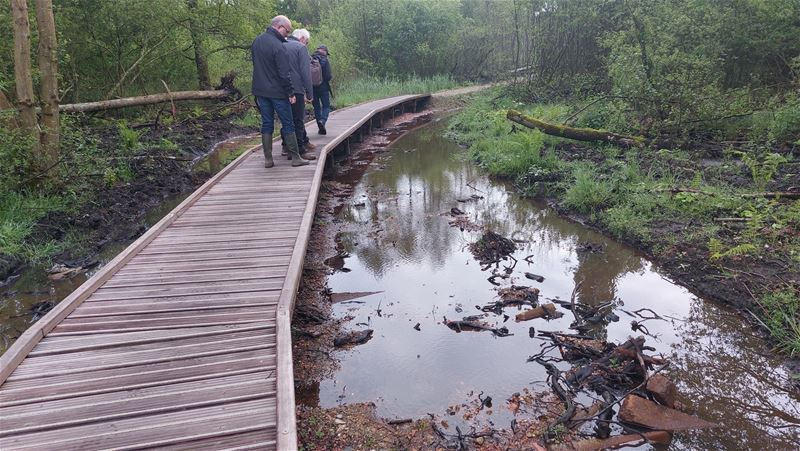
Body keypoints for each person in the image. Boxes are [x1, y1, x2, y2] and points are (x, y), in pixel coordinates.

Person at [251, 15, 309, 167]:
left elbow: (257, 67)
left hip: (261, 91)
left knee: (267, 123)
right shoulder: (278, 46)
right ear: (279, 26)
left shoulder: (257, 41)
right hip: (278, 92)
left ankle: (268, 159)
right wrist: (290, 93)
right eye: (287, 31)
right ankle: (296, 158)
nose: (288, 35)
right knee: (288, 123)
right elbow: (284, 73)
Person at [282, 28, 316, 160]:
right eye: (306, 41)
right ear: (302, 39)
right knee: (298, 120)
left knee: (286, 120)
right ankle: (300, 151)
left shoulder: (280, 45)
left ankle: (287, 147)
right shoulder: (300, 48)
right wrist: (309, 92)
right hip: (296, 89)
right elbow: (305, 73)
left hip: (281, 90)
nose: (306, 44)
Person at [312, 44, 333, 135]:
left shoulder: (310, 58)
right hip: (323, 86)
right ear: (324, 51)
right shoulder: (325, 60)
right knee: (326, 106)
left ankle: (320, 128)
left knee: (316, 107)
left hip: (312, 87)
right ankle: (323, 121)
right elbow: (328, 76)